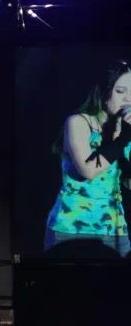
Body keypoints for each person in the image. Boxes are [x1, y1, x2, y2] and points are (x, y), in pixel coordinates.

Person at [45, 60, 131, 257]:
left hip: (115, 226)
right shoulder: (78, 122)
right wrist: (122, 139)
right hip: (73, 227)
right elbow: (88, 170)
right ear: (103, 91)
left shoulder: (125, 128)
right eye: (120, 91)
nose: (128, 98)